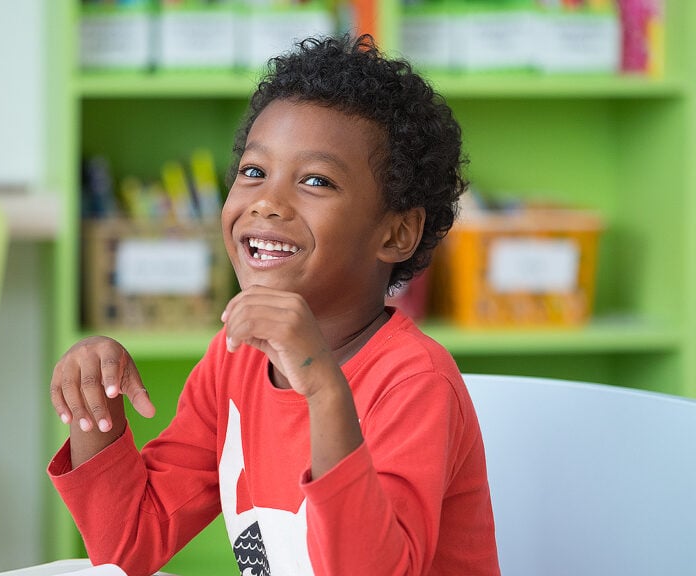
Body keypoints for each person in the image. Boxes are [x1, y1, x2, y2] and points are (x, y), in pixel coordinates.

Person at [48, 34, 500, 576]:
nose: (266, 201)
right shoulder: (234, 358)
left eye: (316, 180)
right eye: (253, 171)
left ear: (397, 232)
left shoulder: (414, 381)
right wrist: (95, 406)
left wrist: (322, 387)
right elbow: (129, 544)